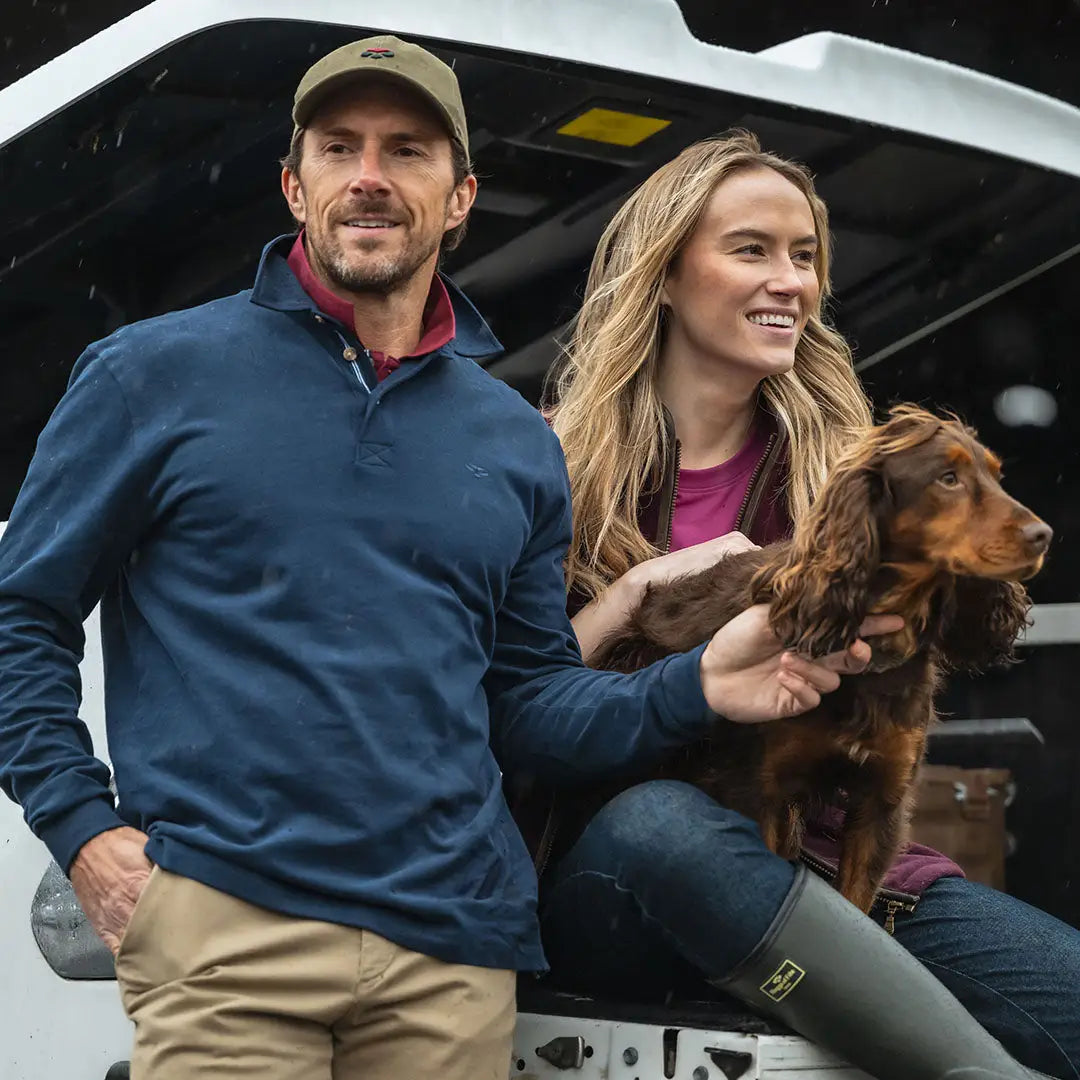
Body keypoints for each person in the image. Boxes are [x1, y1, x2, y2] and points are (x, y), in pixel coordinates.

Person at [0, 40, 899, 1080]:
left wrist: (694, 684)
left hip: (452, 958)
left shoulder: (513, 441)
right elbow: (23, 614)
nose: (370, 176)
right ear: (296, 185)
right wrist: (81, 828)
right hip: (229, 933)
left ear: (461, 195)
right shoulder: (149, 376)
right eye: (340, 148)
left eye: (409, 151)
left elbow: (525, 707)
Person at [535, 131, 1080, 1079]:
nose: (790, 278)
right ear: (662, 275)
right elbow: (499, 705)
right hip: (617, 876)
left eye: (805, 255)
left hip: (848, 881)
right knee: (665, 823)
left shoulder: (862, 471)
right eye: (752, 249)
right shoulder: (547, 469)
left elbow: (947, 656)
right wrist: (631, 594)